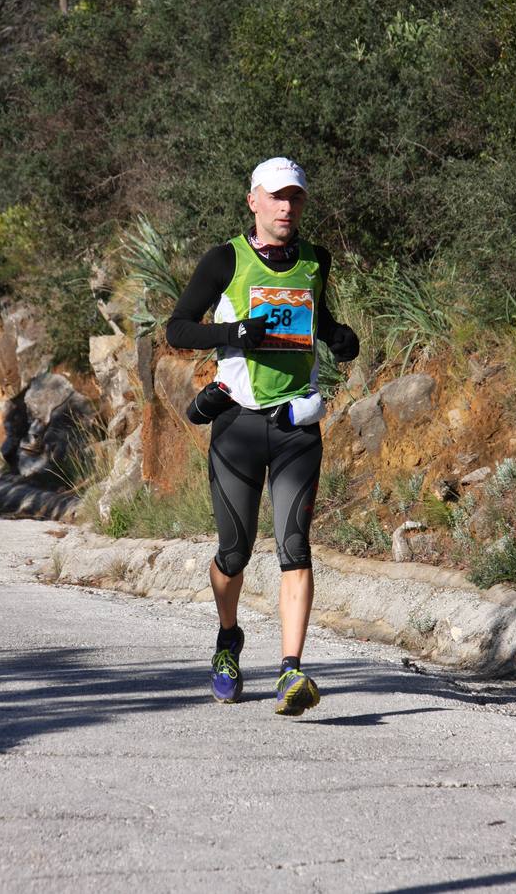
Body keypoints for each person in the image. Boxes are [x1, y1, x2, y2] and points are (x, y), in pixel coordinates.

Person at [166, 157, 359, 716]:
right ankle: (229, 639)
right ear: (253, 200)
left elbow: (314, 319)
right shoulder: (225, 259)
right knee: (234, 551)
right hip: (237, 426)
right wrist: (234, 333)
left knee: (295, 548)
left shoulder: (316, 260)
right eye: (276, 197)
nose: (286, 207)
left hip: (296, 424)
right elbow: (178, 328)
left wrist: (339, 337)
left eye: (295, 198)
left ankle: (290, 672)